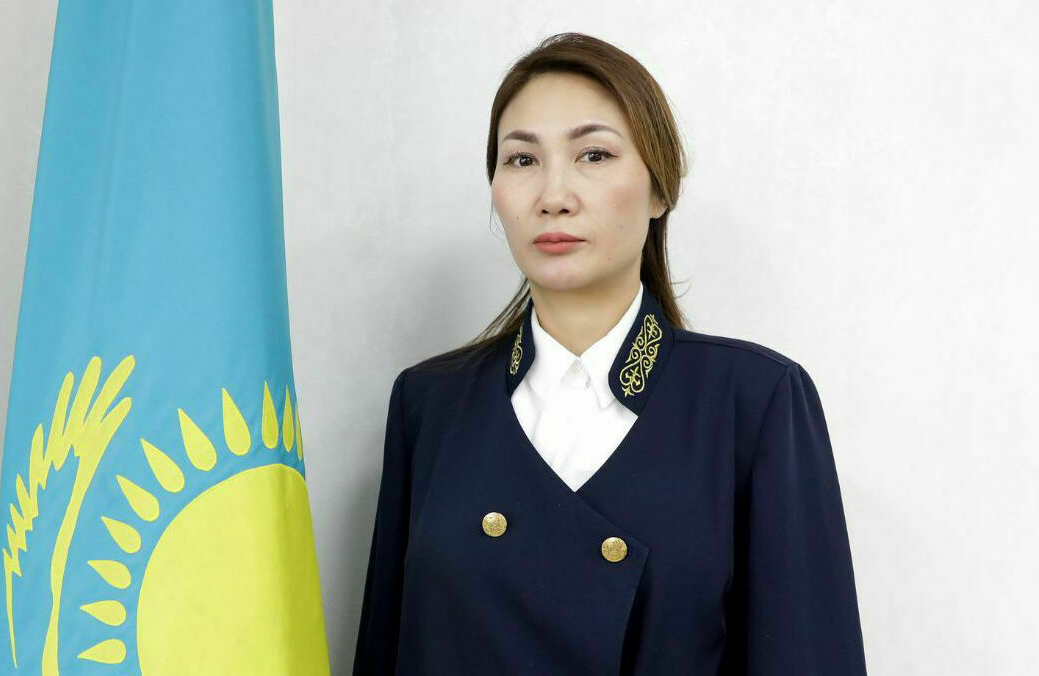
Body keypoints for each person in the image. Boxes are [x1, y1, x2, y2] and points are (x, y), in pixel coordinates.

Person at [352, 31, 867, 675]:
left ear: (659, 191)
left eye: (594, 155)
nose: (553, 195)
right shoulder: (431, 403)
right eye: (521, 159)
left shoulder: (753, 401)